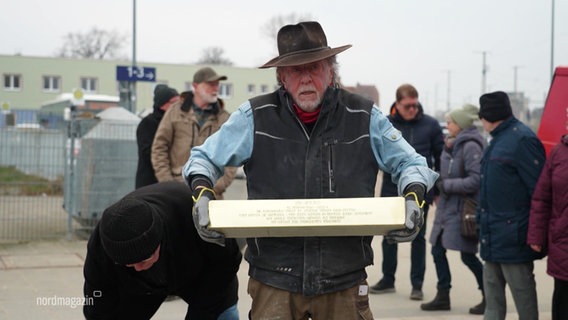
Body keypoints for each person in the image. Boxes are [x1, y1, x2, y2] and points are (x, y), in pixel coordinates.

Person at [182, 21, 439, 319]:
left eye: (314, 67)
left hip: (344, 280)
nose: (306, 78)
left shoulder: (364, 116)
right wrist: (201, 195)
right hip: (274, 279)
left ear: (331, 71)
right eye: (295, 70)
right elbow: (203, 159)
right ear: (282, 76)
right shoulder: (254, 117)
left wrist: (414, 199)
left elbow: (412, 163)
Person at [83, 181, 242, 320]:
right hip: (140, 287)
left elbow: (228, 261)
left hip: (201, 272)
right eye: (129, 264)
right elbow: (98, 305)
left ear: (159, 240)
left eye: (144, 260)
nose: (138, 267)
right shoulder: (102, 244)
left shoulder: (195, 213)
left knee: (221, 311)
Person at [370, 84, 444, 300]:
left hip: (420, 191)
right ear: (397, 104)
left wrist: (437, 189)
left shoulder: (430, 125)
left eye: (415, 105)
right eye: (407, 106)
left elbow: (440, 159)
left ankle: (417, 284)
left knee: (418, 238)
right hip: (391, 192)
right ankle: (387, 278)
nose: (412, 109)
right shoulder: (385, 123)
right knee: (388, 237)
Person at [477, 91, 546, 320]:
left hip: (514, 239)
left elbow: (539, 192)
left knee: (524, 304)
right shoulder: (496, 140)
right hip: (491, 236)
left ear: (489, 116)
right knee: (493, 307)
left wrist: (536, 234)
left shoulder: (523, 140)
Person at [420, 104, 485, 314]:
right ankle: (443, 295)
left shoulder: (471, 146)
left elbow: (476, 180)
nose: (447, 124)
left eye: (451, 122)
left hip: (462, 211)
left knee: (467, 256)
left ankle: (490, 294)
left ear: (462, 124)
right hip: (446, 209)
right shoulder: (451, 144)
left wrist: (446, 185)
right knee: (437, 249)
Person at [151, 67, 236, 199]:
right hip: (176, 193)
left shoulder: (224, 118)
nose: (216, 88)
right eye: (210, 84)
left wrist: (214, 186)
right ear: (196, 86)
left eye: (217, 84)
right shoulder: (175, 112)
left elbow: (231, 155)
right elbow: (159, 147)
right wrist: (169, 184)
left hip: (211, 193)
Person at [528, 134, 568, 320]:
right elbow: (542, 198)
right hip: (563, 241)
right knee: (563, 301)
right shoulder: (558, 152)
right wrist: (536, 235)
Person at [135, 84, 179, 189]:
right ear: (162, 105)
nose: (178, 106)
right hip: (150, 183)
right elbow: (148, 152)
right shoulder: (148, 123)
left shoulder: (177, 122)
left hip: (173, 181)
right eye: (174, 102)